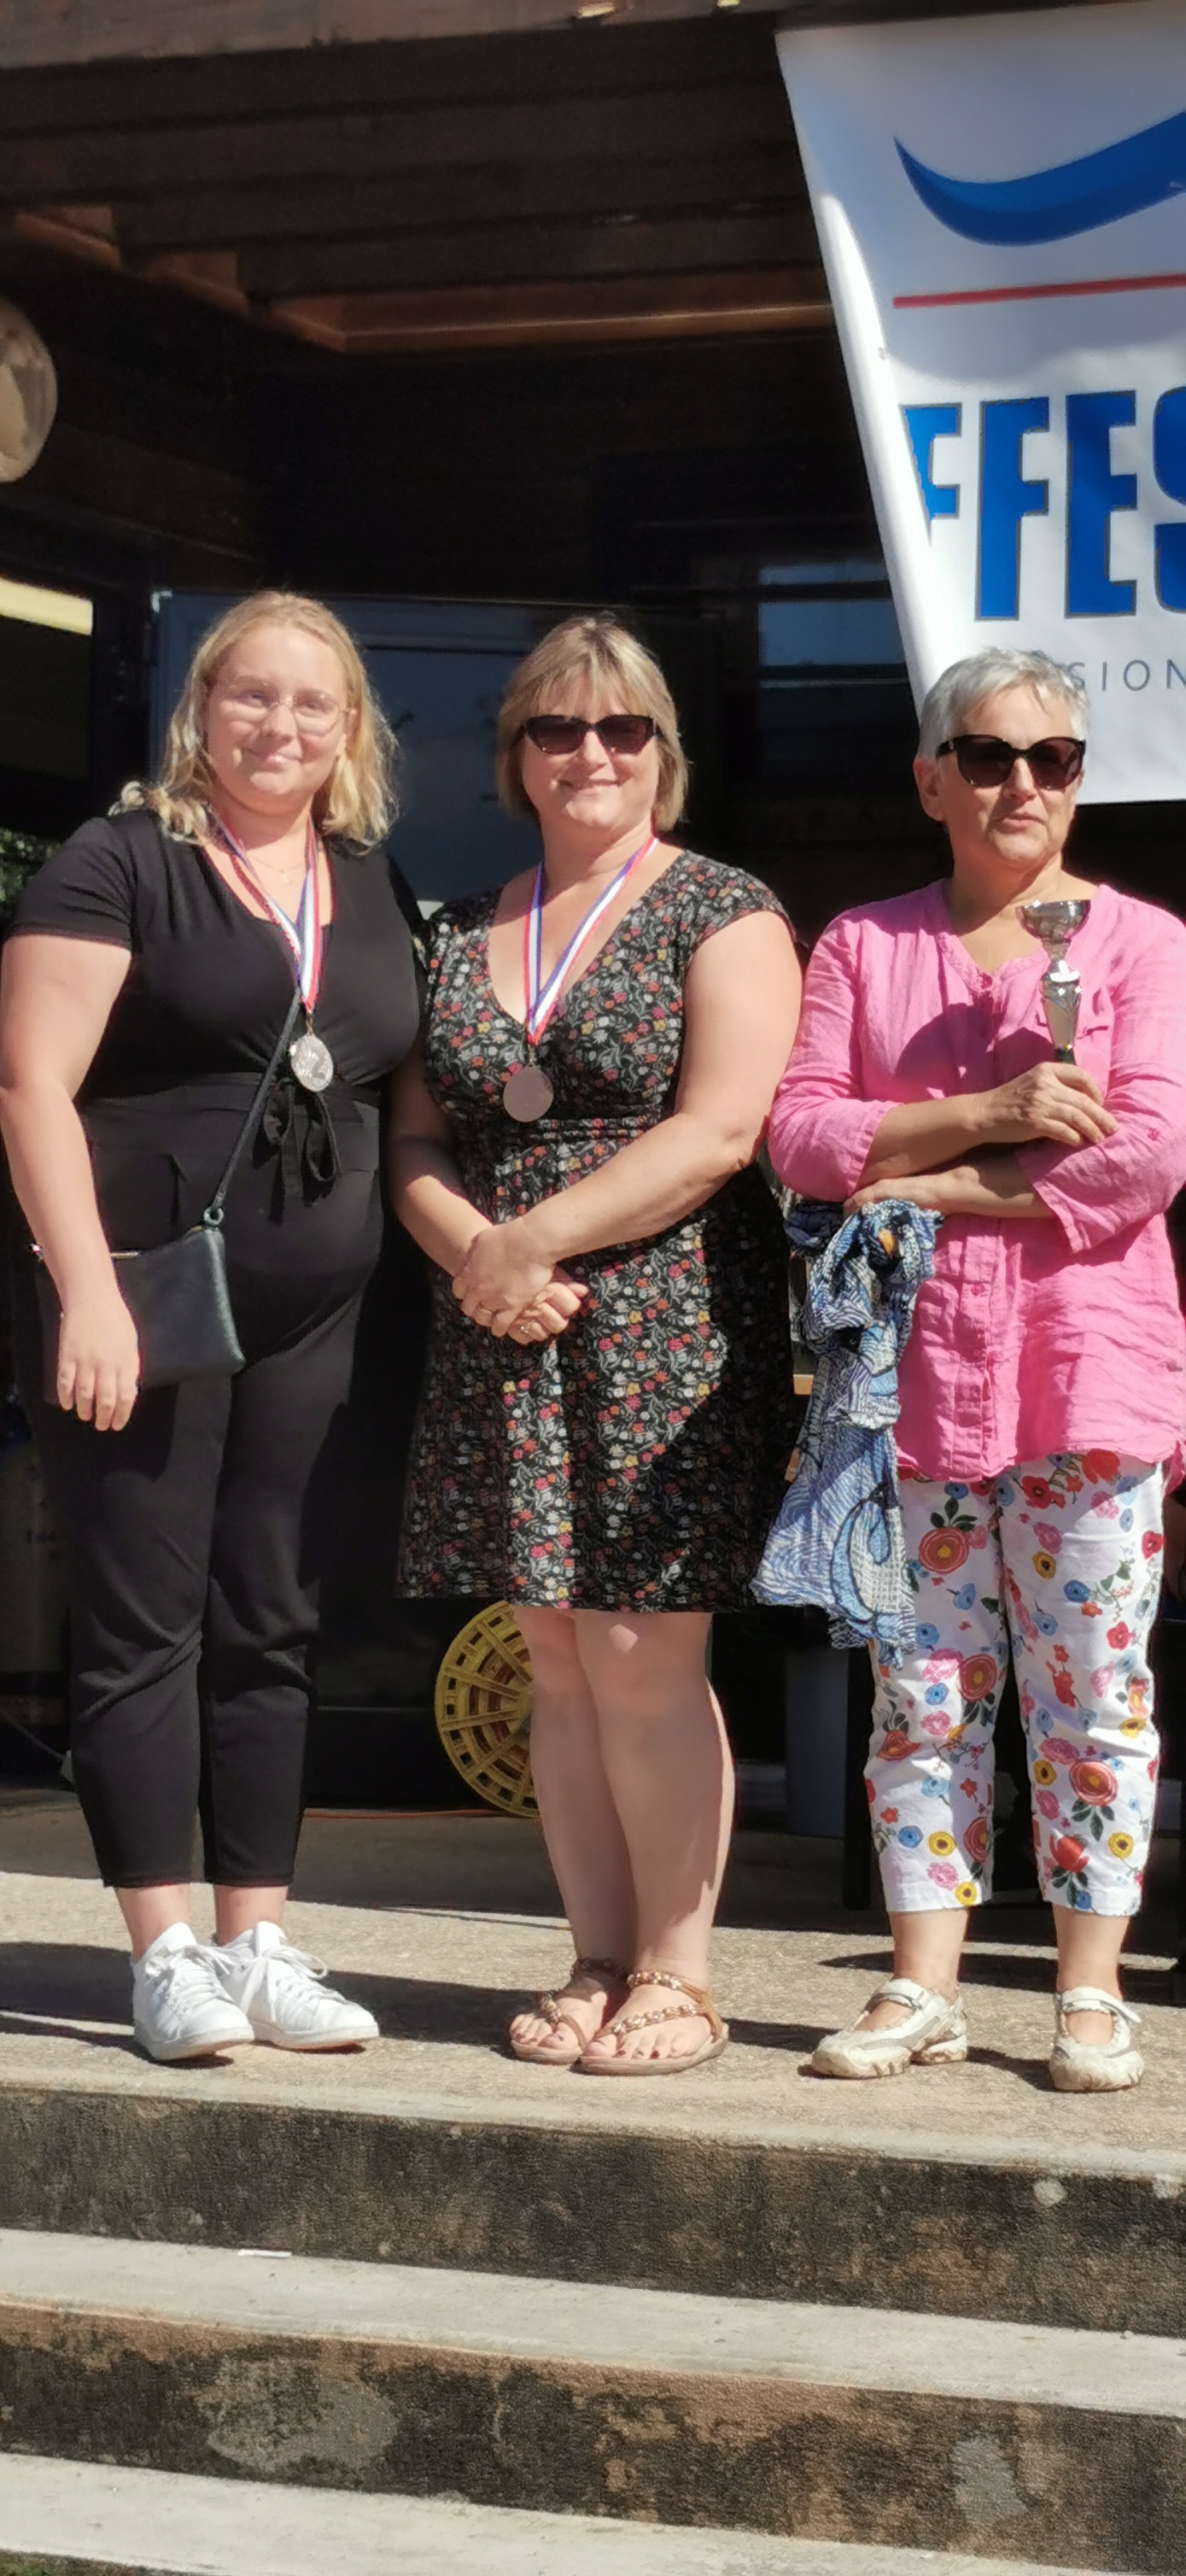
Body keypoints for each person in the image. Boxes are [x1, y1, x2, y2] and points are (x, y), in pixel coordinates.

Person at [0, 591, 421, 2062]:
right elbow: (30, 1089)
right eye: (251, 695)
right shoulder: (119, 861)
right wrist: (88, 1293)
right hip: (148, 1295)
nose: (279, 726)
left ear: (349, 730)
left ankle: (257, 1942)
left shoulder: (364, 878)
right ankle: (163, 1952)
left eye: (312, 703)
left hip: (317, 1312)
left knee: (271, 1621)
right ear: (200, 709)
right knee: (144, 1627)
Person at [768, 647, 1186, 2092]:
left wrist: (921, 1181)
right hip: (912, 1379)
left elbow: (1143, 1161)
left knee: (1093, 1689)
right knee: (920, 1691)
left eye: (1051, 759)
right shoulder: (862, 946)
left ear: (1077, 781)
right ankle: (921, 1984)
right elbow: (800, 1136)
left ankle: (1089, 1989)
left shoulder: (1140, 944)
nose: (1022, 783)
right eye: (989, 755)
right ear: (929, 778)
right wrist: (990, 1110)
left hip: (1086, 1367)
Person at [393, 614, 801, 2073]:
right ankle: (595, 1956)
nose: (590, 752)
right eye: (558, 728)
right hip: (498, 1316)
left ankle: (679, 1977)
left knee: (639, 1651)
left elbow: (721, 1130)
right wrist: (478, 1255)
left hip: (659, 1315)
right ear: (516, 756)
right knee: (553, 1656)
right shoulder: (458, 925)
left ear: (661, 755)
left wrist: (531, 1242)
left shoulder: (722, 908)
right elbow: (416, 1138)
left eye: (622, 728)